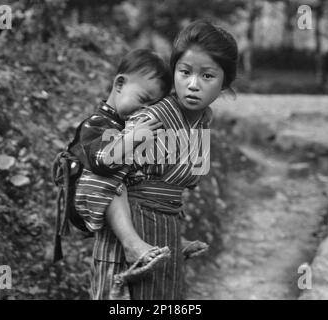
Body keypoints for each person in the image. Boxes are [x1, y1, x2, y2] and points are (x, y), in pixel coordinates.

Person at [88, 20, 239, 300]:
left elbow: (169, 187)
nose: (193, 85)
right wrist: (130, 241)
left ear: (225, 82)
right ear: (175, 72)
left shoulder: (203, 120)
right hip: (129, 236)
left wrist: (176, 240)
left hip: (164, 235)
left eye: (207, 76)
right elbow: (102, 174)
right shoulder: (152, 119)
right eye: (185, 72)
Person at [72, 49, 208, 296]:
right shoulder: (96, 124)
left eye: (150, 106)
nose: (143, 110)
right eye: (142, 99)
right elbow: (100, 162)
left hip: (126, 202)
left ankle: (173, 241)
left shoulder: (127, 122)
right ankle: (131, 243)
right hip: (92, 196)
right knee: (115, 181)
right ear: (120, 84)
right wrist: (132, 138)